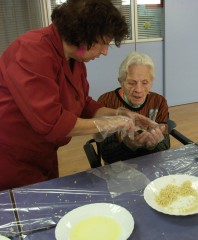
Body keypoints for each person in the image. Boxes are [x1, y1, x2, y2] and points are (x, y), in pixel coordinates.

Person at [0, 0, 157, 190]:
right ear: (83, 36)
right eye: (102, 44)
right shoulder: (31, 50)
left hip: (43, 152)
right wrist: (110, 124)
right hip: (11, 155)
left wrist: (121, 115)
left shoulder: (76, 60)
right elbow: (53, 123)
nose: (106, 52)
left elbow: (84, 105)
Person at [96, 52, 169, 164]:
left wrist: (155, 145)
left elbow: (165, 147)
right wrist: (128, 145)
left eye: (145, 83)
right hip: (119, 168)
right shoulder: (107, 102)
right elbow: (107, 155)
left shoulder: (159, 102)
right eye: (131, 83)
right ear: (121, 81)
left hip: (150, 163)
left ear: (151, 82)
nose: (138, 90)